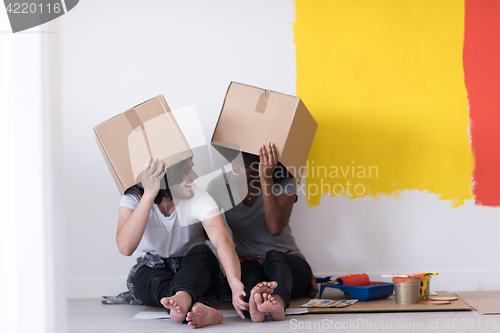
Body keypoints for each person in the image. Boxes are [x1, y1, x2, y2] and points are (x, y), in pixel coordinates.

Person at [116, 157, 247, 328]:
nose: (194, 176)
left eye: (191, 168)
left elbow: (223, 239)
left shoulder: (197, 194)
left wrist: (234, 282)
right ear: (164, 178)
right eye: (185, 172)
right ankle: (194, 307)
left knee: (202, 254)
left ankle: (182, 300)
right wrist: (149, 195)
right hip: (154, 267)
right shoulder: (133, 197)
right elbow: (125, 247)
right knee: (145, 278)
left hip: (194, 267)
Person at [207, 143, 314, 322]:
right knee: (249, 274)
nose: (235, 166)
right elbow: (206, 231)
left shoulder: (285, 181)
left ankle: (278, 301)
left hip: (287, 264)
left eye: (245, 165)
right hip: (248, 261)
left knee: (274, 256)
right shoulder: (220, 185)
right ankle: (254, 306)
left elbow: (275, 228)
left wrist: (266, 179)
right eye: (235, 160)